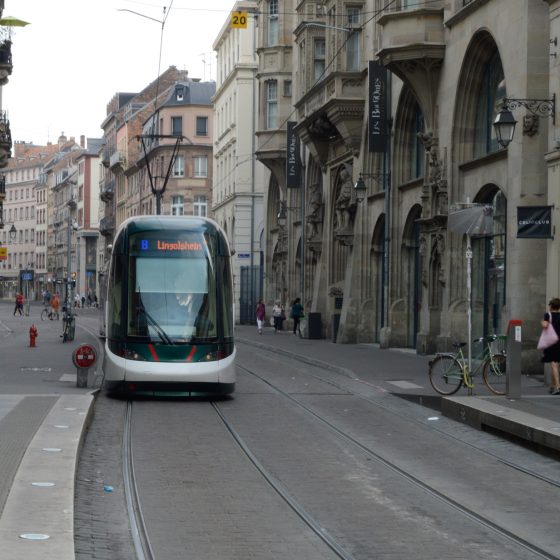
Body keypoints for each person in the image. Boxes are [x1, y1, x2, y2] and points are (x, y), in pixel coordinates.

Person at [542, 297, 560, 394]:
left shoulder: (547, 315)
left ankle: (558, 386)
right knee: (556, 365)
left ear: (551, 306)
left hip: (552, 342)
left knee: (553, 364)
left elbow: (545, 325)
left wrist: (543, 322)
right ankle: (552, 387)